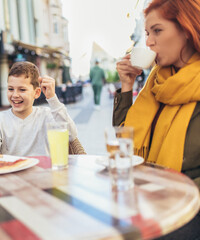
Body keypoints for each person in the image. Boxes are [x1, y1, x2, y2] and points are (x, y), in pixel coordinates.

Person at [114, 0, 200, 239]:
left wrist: (171, 194)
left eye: (158, 31)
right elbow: (124, 141)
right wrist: (127, 86)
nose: (149, 42)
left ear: (187, 28)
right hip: (148, 199)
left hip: (188, 210)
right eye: (147, 33)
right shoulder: (157, 81)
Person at [0, 61, 85, 156]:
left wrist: (53, 99)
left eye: (22, 90)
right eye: (11, 89)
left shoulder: (47, 115)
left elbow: (71, 135)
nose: (15, 95)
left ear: (37, 93)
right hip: (12, 175)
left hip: (44, 175)